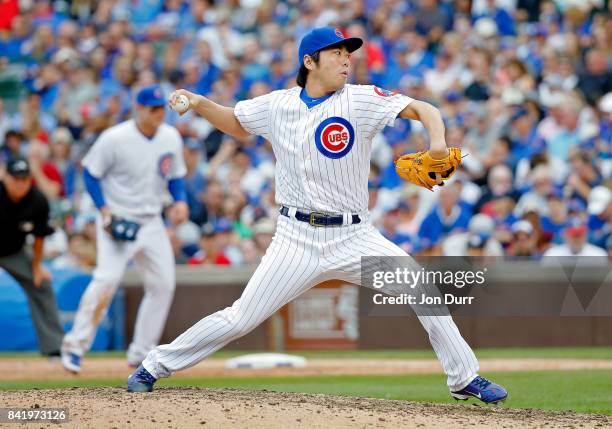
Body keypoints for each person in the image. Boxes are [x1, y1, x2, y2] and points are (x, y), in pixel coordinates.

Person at [128, 27, 508, 404]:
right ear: (309, 62)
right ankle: (155, 364)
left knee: (420, 288)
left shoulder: (360, 100)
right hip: (296, 239)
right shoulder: (278, 105)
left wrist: (438, 142)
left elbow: (424, 108)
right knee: (241, 318)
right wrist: (198, 102)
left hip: (355, 237)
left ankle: (463, 377)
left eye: (348, 52)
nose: (346, 59)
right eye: (336, 53)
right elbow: (236, 123)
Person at [61, 85, 189, 373]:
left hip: (152, 220)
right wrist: (104, 211)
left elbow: (175, 176)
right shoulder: (115, 138)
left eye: (161, 109)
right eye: (153, 108)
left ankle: (140, 353)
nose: (158, 114)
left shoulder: (170, 137)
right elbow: (91, 175)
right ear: (138, 108)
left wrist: (180, 201)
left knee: (163, 284)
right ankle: (74, 347)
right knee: (106, 280)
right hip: (117, 219)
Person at [0, 158, 64, 357]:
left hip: (14, 252)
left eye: (24, 179)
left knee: (42, 284)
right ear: (6, 178)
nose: (20, 183)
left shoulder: (37, 200)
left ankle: (54, 347)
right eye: (16, 178)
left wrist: (37, 267)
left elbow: (39, 236)